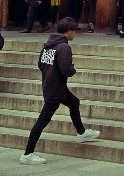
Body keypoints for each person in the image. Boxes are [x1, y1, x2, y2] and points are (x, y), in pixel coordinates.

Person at [19, 17, 101, 164]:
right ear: (69, 31)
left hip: (52, 86)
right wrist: (72, 68)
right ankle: (28, 153)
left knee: (74, 102)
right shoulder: (64, 47)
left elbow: (40, 64)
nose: (75, 34)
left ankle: (82, 132)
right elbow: (67, 70)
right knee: (42, 121)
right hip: (55, 90)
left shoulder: (48, 45)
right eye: (75, 31)